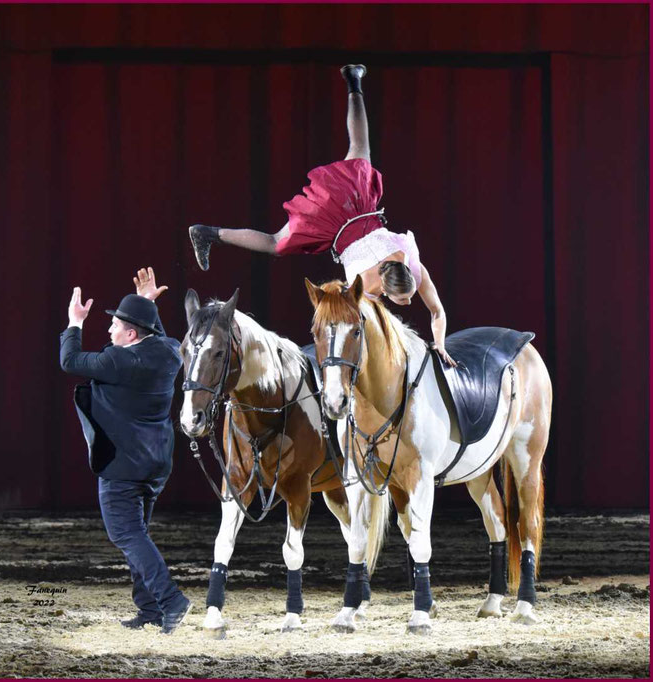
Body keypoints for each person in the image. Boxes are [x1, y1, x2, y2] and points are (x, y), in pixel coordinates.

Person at [189, 64, 456, 366]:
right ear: (386, 288)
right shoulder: (364, 285)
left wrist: (439, 345)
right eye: (402, 300)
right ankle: (209, 234)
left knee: (360, 148)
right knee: (276, 244)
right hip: (335, 220)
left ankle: (354, 80)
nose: (407, 303)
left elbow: (437, 312)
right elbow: (360, 326)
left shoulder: (412, 262)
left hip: (356, 202)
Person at [59, 267, 192, 634]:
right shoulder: (169, 353)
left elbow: (69, 361)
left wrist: (74, 323)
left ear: (130, 335)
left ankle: (171, 601)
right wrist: (146, 305)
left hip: (121, 465)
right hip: (156, 465)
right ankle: (149, 610)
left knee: (127, 535)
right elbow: (157, 334)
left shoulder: (117, 361)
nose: (109, 330)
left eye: (115, 325)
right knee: (139, 535)